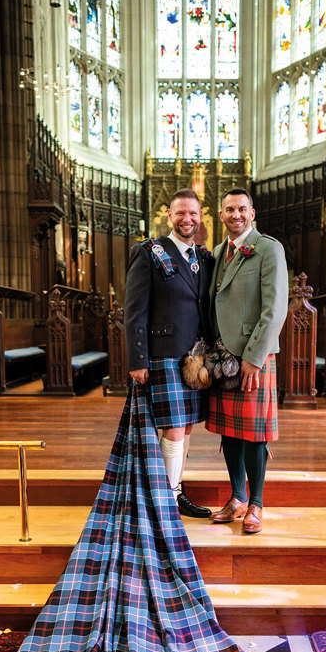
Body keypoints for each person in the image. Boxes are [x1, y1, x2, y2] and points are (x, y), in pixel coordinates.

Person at [124, 187, 213, 518]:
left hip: (195, 356)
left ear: (200, 217)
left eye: (192, 213)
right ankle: (168, 500)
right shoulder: (149, 252)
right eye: (180, 213)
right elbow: (134, 310)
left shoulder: (204, 258)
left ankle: (174, 490)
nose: (186, 219)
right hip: (163, 352)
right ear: (169, 216)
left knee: (186, 427)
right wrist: (138, 359)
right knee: (174, 427)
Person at [207, 188, 288, 534]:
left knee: (255, 434)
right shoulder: (217, 252)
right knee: (230, 431)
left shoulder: (269, 248)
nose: (236, 215)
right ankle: (237, 497)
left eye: (242, 209)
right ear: (221, 215)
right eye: (229, 209)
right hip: (223, 357)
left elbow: (274, 310)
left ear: (252, 213)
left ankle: (256, 503)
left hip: (254, 355)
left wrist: (254, 358)